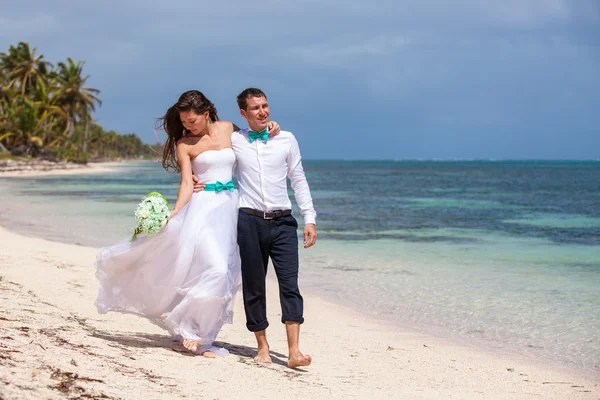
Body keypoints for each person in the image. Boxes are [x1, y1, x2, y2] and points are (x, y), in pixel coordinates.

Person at [94, 90, 279, 358]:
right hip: (201, 210)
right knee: (214, 268)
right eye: (183, 122)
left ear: (206, 114)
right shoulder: (185, 144)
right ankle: (192, 332)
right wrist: (175, 211)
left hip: (231, 209)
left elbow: (254, 146)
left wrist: (271, 127)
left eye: (191, 121)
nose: (187, 126)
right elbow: (186, 183)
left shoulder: (229, 129)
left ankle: (201, 337)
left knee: (224, 272)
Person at [194, 88, 317, 368]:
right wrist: (195, 177)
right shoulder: (235, 140)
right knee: (254, 287)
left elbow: (298, 180)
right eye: (255, 108)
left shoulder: (286, 139)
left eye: (265, 106)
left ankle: (294, 351)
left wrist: (309, 218)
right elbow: (207, 149)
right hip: (249, 222)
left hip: (284, 222)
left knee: (290, 286)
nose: (262, 112)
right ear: (243, 113)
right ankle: (262, 346)